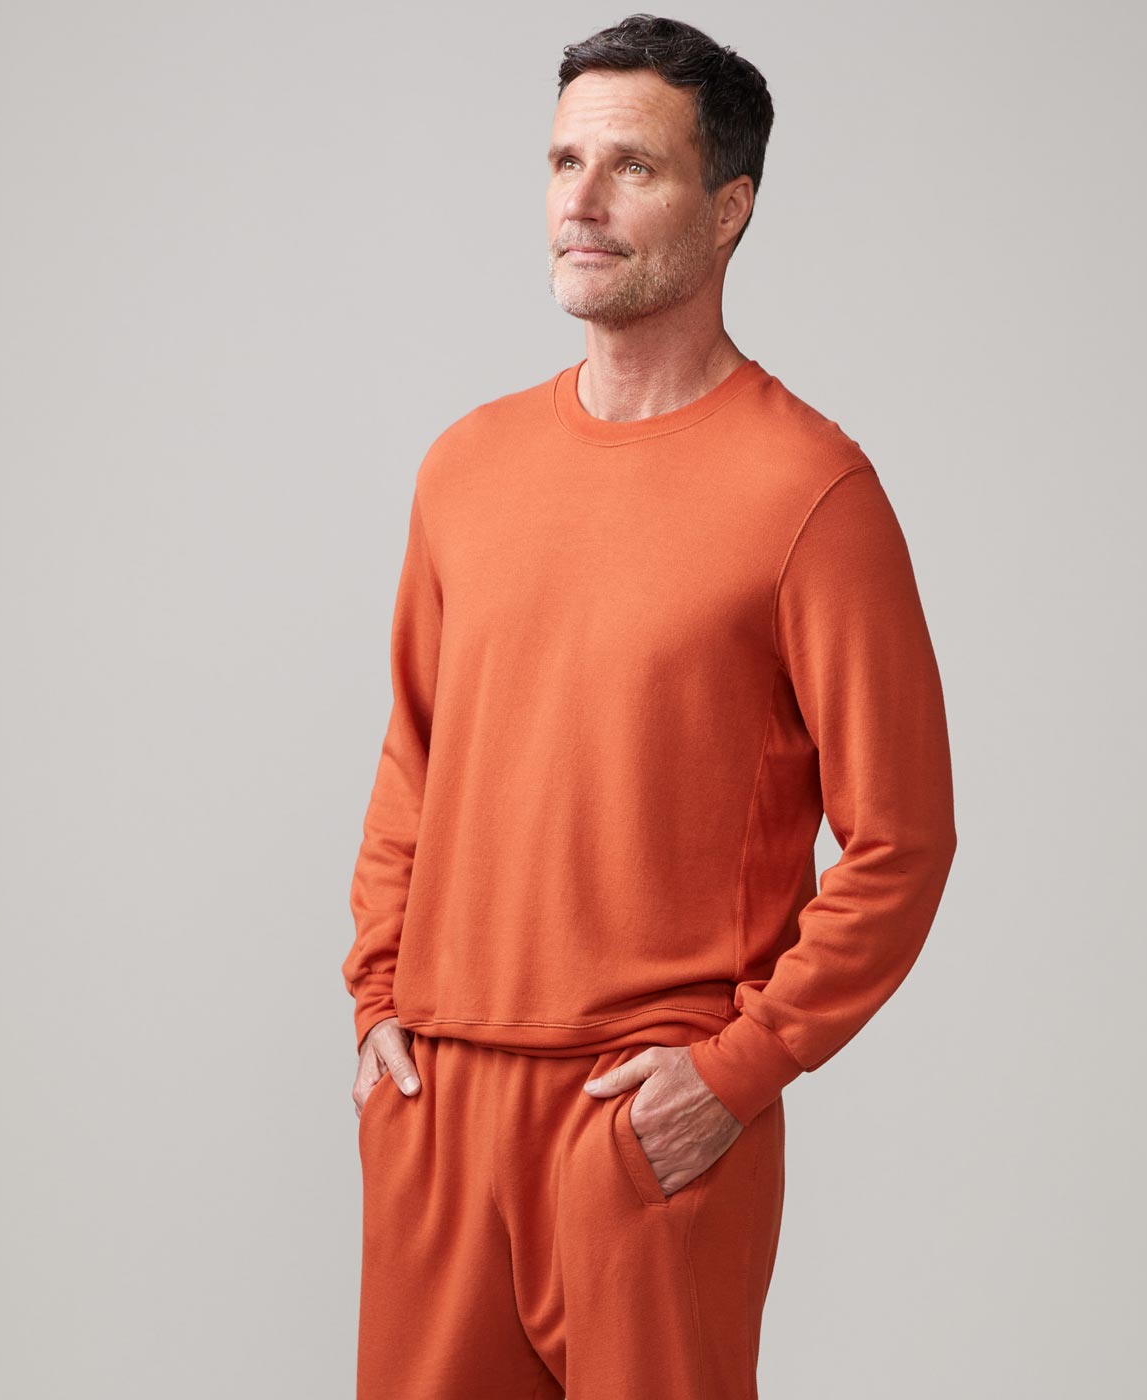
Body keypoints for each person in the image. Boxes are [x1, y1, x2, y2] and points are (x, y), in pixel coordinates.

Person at [342, 14, 958, 1398]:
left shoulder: (811, 493)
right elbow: (415, 756)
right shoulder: (467, 466)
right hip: (437, 1101)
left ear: (728, 209)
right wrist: (377, 996)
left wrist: (740, 1072)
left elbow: (904, 840)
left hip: (639, 1115)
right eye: (565, 161)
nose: (582, 200)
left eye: (633, 167)